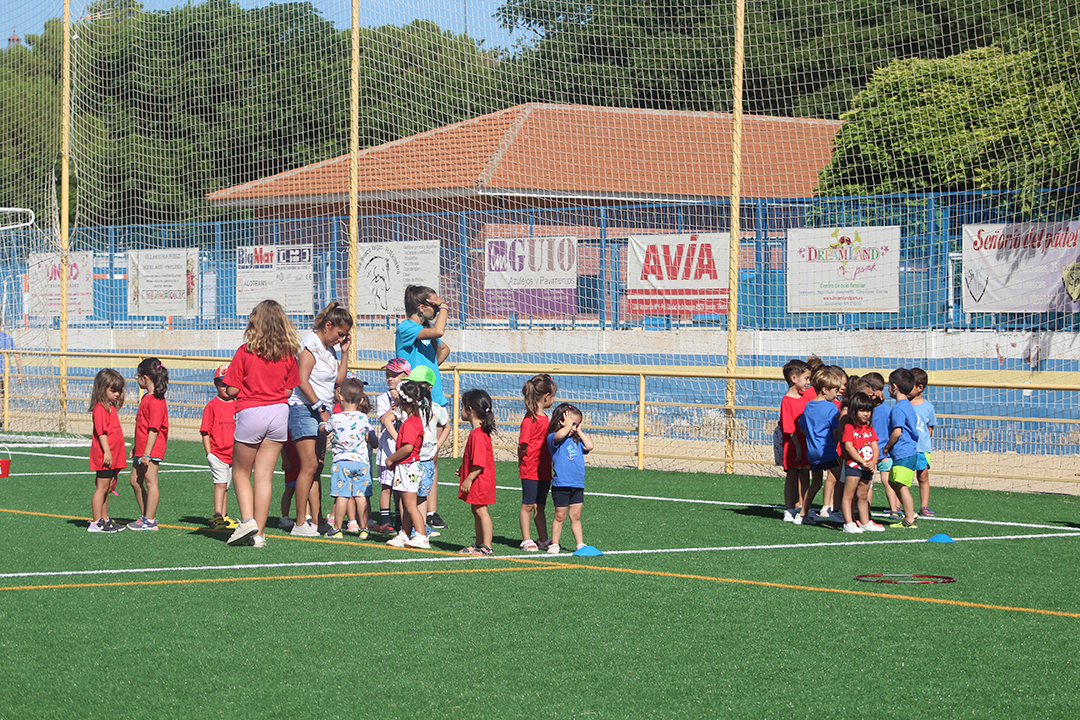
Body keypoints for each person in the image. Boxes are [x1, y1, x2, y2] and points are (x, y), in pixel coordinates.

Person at [223, 299, 301, 547]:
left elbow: (232, 389)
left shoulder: (245, 351)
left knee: (241, 471)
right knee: (265, 476)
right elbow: (288, 391)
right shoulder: (288, 355)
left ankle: (248, 521)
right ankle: (259, 535)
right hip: (278, 413)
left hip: (251, 410)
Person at [287, 302, 353, 537]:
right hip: (304, 409)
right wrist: (320, 408)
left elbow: (339, 381)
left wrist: (344, 352)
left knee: (318, 467)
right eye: (339, 333)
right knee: (309, 465)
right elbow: (302, 381)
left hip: (321, 412)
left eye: (345, 335)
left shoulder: (330, 349)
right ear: (328, 325)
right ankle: (300, 523)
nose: (341, 338)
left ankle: (317, 521)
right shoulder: (311, 344)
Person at [395, 284, 451, 530]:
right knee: (412, 456)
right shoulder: (407, 328)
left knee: (430, 457)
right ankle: (406, 513)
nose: (437, 307)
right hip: (414, 401)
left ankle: (430, 512)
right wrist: (444, 307)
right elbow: (439, 329)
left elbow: (444, 348)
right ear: (421, 307)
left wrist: (430, 371)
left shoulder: (427, 333)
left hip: (434, 398)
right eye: (433, 304)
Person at [322, 378, 378, 539]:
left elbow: (325, 431)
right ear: (361, 400)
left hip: (342, 462)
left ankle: (337, 528)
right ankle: (364, 528)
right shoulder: (364, 418)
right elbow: (371, 437)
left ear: (340, 397)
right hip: (362, 462)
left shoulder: (335, 418)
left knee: (342, 495)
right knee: (361, 496)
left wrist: (321, 426)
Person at [382, 379, 431, 549]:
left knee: (410, 504)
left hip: (408, 466)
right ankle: (405, 533)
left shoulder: (411, 423)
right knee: (405, 503)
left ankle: (421, 536)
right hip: (406, 466)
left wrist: (391, 458)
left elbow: (408, 447)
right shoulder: (412, 421)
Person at [794, 365, 845, 525]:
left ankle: (802, 514)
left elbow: (802, 427)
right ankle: (839, 512)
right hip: (827, 452)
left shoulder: (809, 406)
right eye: (835, 390)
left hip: (812, 452)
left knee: (815, 483)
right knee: (844, 478)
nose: (837, 394)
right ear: (824, 390)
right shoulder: (831, 407)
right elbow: (836, 432)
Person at [405, 365, 450, 539]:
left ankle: (421, 527)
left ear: (429, 388)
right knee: (409, 494)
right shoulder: (409, 407)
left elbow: (446, 426)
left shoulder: (436, 408)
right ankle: (407, 527)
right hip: (411, 459)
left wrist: (437, 445)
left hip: (426, 459)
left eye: (419, 385)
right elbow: (389, 419)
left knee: (422, 495)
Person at [126, 357, 169, 531]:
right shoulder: (146, 397)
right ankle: (145, 515)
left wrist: (147, 454)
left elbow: (154, 430)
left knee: (151, 482)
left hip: (151, 450)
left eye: (137, 376)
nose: (136, 379)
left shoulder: (156, 401)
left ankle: (150, 521)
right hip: (142, 449)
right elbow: (142, 428)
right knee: (135, 481)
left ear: (145, 378)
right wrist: (136, 448)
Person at [546, 402, 594, 554]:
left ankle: (580, 543)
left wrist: (579, 430)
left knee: (576, 516)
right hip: (561, 485)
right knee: (560, 516)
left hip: (577, 484)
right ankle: (554, 544)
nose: (573, 427)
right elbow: (560, 435)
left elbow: (590, 446)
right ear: (561, 421)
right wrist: (567, 426)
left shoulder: (576, 440)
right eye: (572, 424)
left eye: (576, 424)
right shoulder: (554, 438)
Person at [518, 373, 557, 551]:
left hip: (544, 470)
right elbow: (523, 446)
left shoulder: (545, 418)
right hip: (531, 470)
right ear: (546, 396)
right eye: (553, 397)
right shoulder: (530, 420)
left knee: (540, 506)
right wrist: (524, 462)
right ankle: (526, 539)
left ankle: (543, 539)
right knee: (528, 505)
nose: (553, 401)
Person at [458, 388, 497, 556]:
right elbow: (474, 458)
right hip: (477, 479)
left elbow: (480, 464)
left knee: (481, 511)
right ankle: (479, 543)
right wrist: (463, 470)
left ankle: (487, 546)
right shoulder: (477, 432)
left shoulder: (478, 434)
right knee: (476, 510)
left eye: (462, 406)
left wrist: (469, 478)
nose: (460, 410)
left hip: (480, 480)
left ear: (470, 409)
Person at [88, 368, 127, 533]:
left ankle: (104, 519)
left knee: (108, 487)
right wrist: (107, 452)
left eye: (119, 390)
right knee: (102, 488)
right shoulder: (100, 408)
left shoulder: (109, 407)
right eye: (113, 390)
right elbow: (101, 433)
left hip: (113, 455)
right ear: (102, 388)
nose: (117, 394)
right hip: (105, 455)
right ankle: (96, 522)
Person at [838, 392, 884, 533]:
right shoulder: (849, 427)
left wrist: (873, 462)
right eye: (863, 410)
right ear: (854, 411)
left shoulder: (869, 429)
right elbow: (849, 447)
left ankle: (865, 522)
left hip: (867, 467)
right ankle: (849, 523)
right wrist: (862, 461)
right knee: (849, 495)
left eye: (868, 410)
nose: (866, 414)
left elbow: (875, 447)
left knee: (863, 495)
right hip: (853, 466)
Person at [375, 357, 410, 532]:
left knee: (399, 486)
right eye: (388, 375)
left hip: (402, 451)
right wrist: (393, 406)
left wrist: (402, 400)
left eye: (394, 375)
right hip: (387, 449)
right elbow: (383, 419)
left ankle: (399, 518)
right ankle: (385, 520)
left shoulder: (410, 398)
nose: (390, 378)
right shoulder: (383, 398)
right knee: (386, 486)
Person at [201, 364, 237, 530]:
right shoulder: (212, 405)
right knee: (220, 484)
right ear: (216, 384)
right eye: (222, 384)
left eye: (230, 384)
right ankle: (218, 517)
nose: (226, 388)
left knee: (226, 486)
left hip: (233, 455)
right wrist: (209, 453)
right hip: (218, 454)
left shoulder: (237, 404)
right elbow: (205, 431)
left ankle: (224, 515)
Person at [882, 368, 920, 529]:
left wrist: (887, 446)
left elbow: (897, 431)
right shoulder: (908, 405)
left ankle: (910, 519)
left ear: (894, 387)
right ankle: (908, 510)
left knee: (901, 485)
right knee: (893, 482)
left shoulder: (898, 408)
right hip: (906, 452)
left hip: (904, 452)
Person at [779, 359, 812, 522]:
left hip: (806, 445)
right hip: (793, 445)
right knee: (792, 476)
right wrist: (798, 447)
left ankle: (804, 509)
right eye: (806, 378)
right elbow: (789, 428)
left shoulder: (806, 398)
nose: (808, 382)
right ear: (794, 378)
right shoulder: (786, 401)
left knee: (805, 476)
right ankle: (789, 509)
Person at [863, 372, 900, 515]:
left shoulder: (866, 411)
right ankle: (894, 509)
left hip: (873, 452)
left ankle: (866, 511)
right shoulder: (888, 410)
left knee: (869, 483)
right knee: (886, 481)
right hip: (884, 452)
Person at [909, 367, 937, 517]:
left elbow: (929, 428)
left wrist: (923, 443)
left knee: (923, 477)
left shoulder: (928, 407)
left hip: (922, 449)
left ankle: (924, 506)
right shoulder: (903, 404)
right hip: (906, 449)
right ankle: (897, 506)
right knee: (902, 478)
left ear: (920, 388)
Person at [0, 325, 21, 430]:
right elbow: (17, 356)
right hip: (5, 373)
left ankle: (2, 419)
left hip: (2, 372)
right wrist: (20, 373)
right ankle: (3, 419)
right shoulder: (7, 338)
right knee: (3, 397)